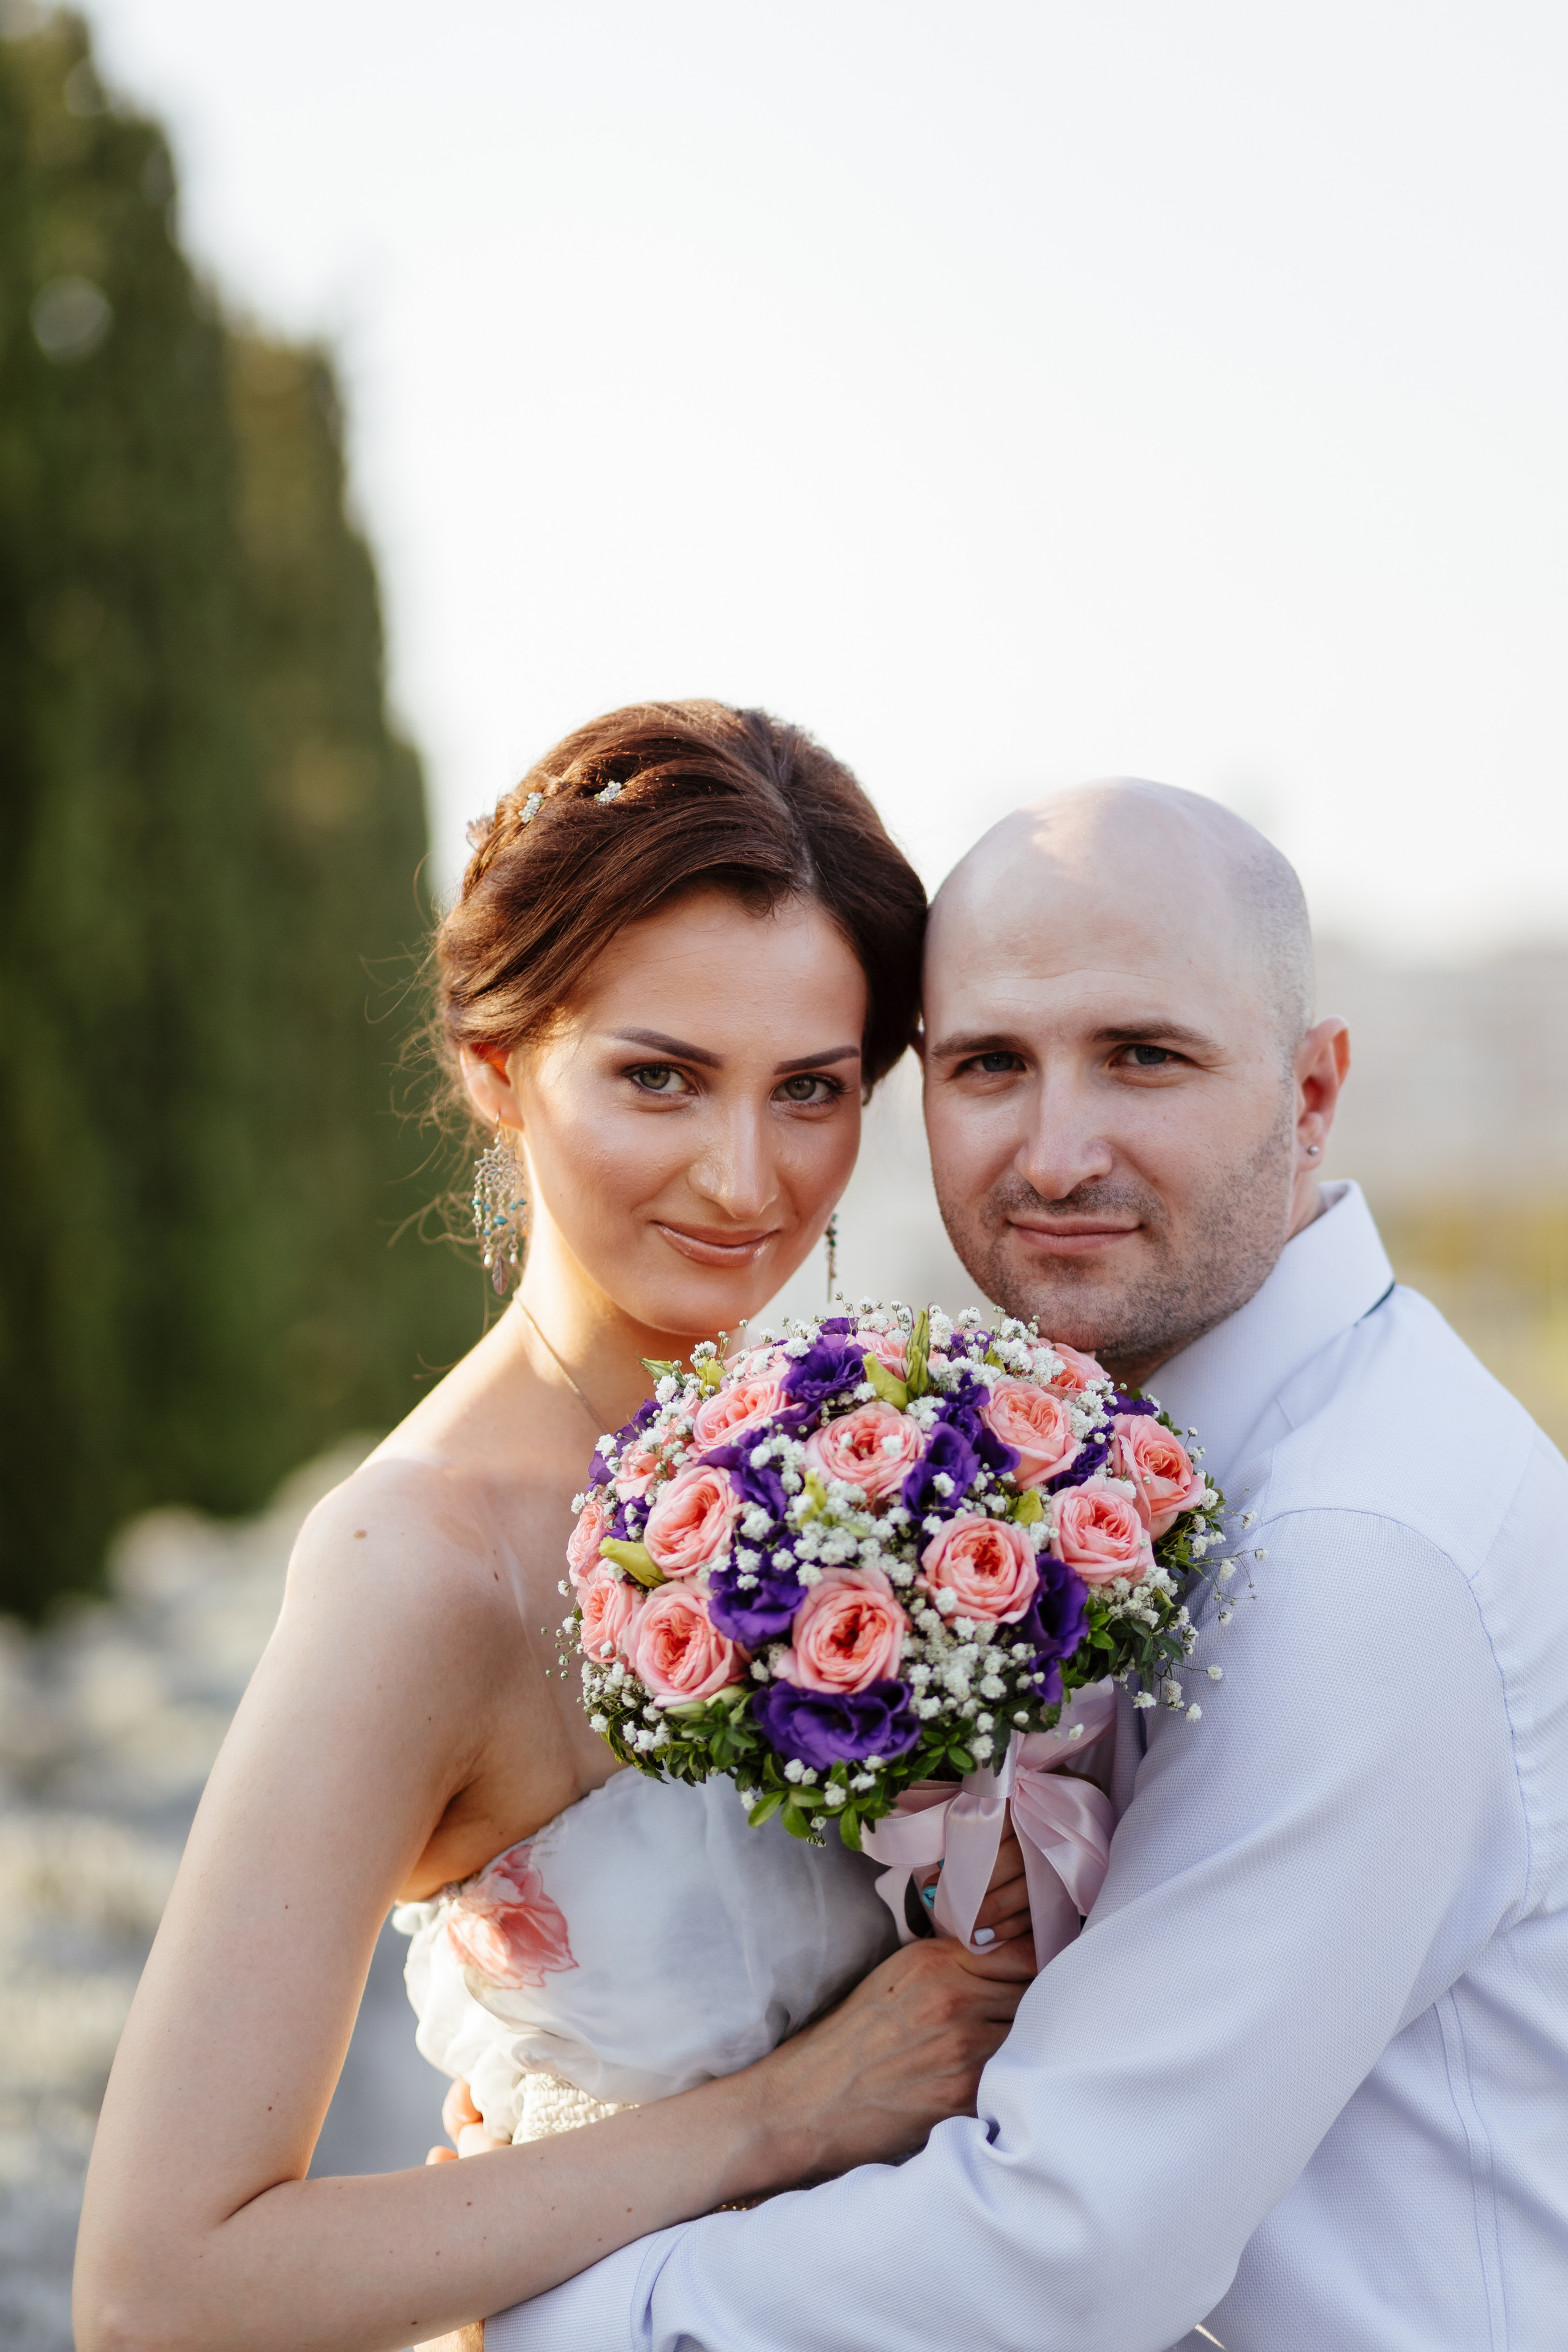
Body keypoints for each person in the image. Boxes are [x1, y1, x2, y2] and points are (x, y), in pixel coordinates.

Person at [486, 779, 1568, 2351]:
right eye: (988, 1064)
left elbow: (1065, 2245)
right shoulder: (1098, 1467)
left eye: (1143, 1056)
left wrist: (545, 2306)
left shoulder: (1353, 1556)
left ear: (1312, 1092)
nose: (1055, 1156)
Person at [72, 703, 1034, 2352]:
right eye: (661, 1078)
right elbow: (161, 2287)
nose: (747, 1180)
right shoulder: (422, 1564)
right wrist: (782, 2115)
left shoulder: (881, 1466)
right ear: (498, 1066)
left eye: (810, 1089)